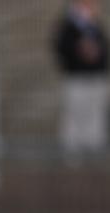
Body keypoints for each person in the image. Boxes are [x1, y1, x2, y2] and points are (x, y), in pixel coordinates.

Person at [54, 0, 109, 154]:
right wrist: (80, 50)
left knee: (95, 117)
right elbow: (61, 48)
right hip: (76, 79)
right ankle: (73, 155)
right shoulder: (67, 26)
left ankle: (93, 153)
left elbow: (104, 49)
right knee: (75, 115)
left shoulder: (96, 26)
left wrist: (96, 52)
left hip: (96, 78)